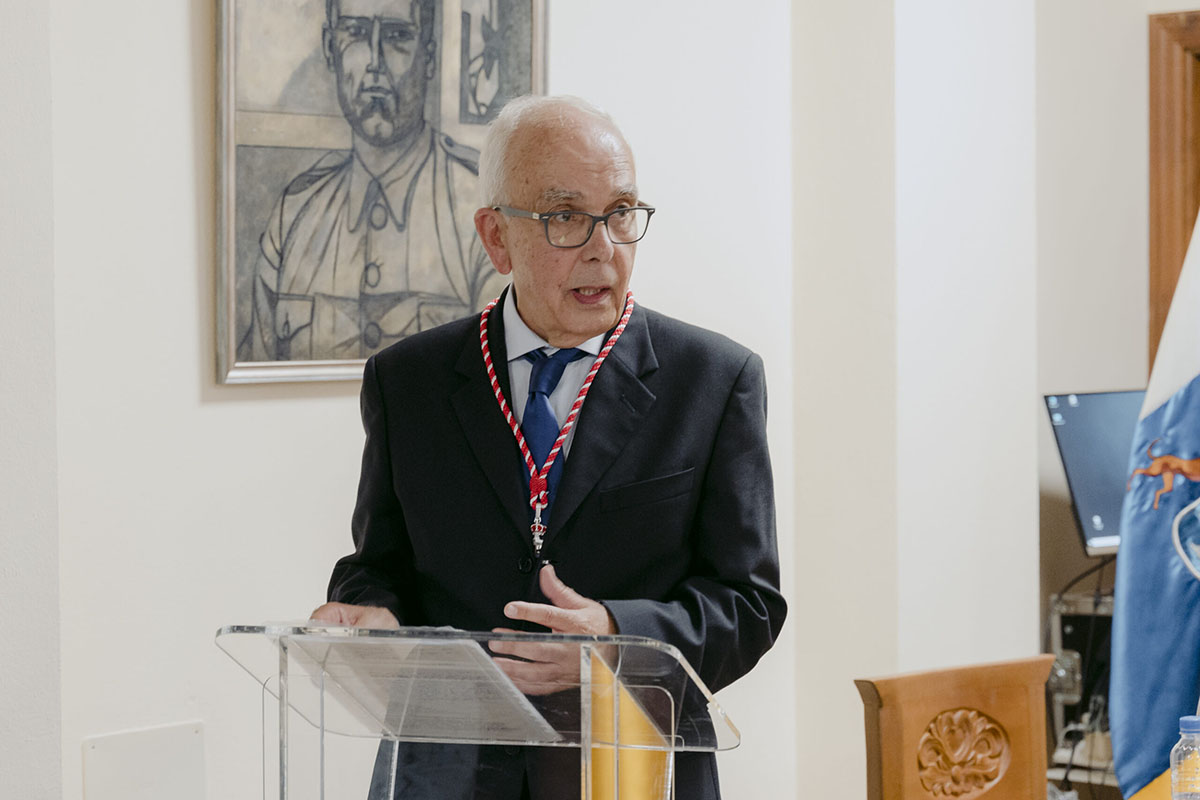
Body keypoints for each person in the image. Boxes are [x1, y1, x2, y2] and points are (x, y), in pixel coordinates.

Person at [311, 94, 786, 799]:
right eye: (565, 217)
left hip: (628, 765)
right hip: (449, 772)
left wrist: (616, 636)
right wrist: (374, 614)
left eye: (621, 212)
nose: (603, 248)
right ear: (496, 236)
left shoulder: (714, 382)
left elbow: (749, 604)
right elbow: (377, 564)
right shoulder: (407, 381)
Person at [240, 0, 504, 362]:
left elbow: (502, 379)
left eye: (397, 37)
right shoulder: (296, 212)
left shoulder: (481, 207)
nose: (375, 61)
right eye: (356, 33)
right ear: (331, 49)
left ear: (428, 57)